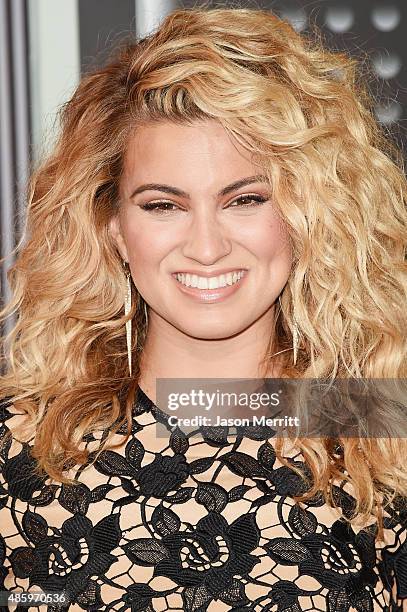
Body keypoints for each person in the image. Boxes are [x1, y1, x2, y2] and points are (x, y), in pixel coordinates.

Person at [0, 6, 406, 611]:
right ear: (112, 226)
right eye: (164, 205)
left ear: (308, 214)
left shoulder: (385, 441)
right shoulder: (19, 446)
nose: (208, 247)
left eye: (244, 199)